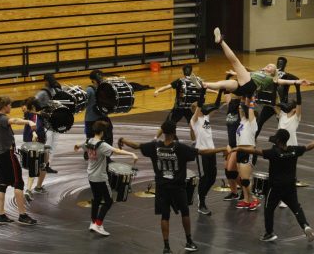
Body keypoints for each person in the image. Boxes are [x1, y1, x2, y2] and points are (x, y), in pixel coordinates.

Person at [118, 120, 228, 254]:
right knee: (185, 213)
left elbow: (136, 146)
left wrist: (123, 139)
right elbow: (202, 152)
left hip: (162, 187)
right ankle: (188, 241)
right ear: (174, 132)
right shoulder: (181, 148)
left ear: (163, 132)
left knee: (165, 216)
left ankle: (166, 247)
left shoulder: (154, 147)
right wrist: (222, 149)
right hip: (178, 187)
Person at [233, 129, 314, 242]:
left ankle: (269, 233)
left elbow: (255, 151)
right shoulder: (294, 150)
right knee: (296, 207)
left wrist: (239, 148)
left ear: (279, 140)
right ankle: (305, 225)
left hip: (275, 187)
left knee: (268, 209)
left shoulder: (273, 152)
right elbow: (308, 147)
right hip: (290, 186)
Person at [197, 27, 312, 97]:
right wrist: (235, 73)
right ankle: (204, 85)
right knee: (222, 84)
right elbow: (248, 74)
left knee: (236, 62)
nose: (268, 66)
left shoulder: (272, 79)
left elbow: (285, 82)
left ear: (273, 72)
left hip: (250, 86)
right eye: (268, 65)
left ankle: (221, 41)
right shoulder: (258, 73)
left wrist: (298, 81)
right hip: (243, 88)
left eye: (271, 67)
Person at [74, 120, 138, 236]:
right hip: (101, 177)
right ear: (102, 132)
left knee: (97, 199)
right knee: (108, 201)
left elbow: (80, 145)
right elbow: (117, 151)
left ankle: (93, 222)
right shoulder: (102, 145)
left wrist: (77, 146)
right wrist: (131, 154)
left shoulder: (89, 141)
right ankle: (98, 224)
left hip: (91, 175)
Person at [0, 96, 37, 225]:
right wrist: (29, 122)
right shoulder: (2, 118)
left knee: (2, 184)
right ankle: (22, 215)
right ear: (5, 106)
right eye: (10, 105)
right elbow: (15, 120)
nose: (11, 107)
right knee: (18, 183)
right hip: (9, 155)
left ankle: (2, 215)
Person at [190, 87, 221, 215]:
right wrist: (202, 92)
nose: (204, 107)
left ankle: (202, 196)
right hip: (202, 152)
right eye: (200, 107)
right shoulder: (194, 120)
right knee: (204, 177)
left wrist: (221, 92)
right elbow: (200, 104)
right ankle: (201, 203)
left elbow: (217, 106)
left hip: (211, 150)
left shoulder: (206, 117)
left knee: (212, 178)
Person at [154, 65, 206, 139]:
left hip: (179, 108)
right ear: (191, 71)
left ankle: (155, 138)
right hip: (190, 109)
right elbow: (205, 90)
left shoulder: (180, 81)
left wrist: (158, 90)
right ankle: (194, 143)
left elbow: (167, 86)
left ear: (183, 72)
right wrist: (215, 91)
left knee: (167, 124)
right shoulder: (196, 81)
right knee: (193, 126)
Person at [234, 97, 261, 211]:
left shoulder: (252, 123)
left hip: (248, 152)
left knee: (245, 180)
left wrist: (253, 98)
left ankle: (254, 199)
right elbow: (241, 108)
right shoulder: (243, 121)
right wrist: (243, 99)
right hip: (239, 151)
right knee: (242, 179)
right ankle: (246, 200)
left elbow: (250, 109)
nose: (241, 111)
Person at [35, 73, 61, 173]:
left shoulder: (57, 90)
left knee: (51, 147)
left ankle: (47, 165)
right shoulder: (42, 93)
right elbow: (33, 105)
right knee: (48, 146)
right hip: (47, 125)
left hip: (54, 124)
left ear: (45, 81)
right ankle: (43, 165)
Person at [84, 70, 114, 159]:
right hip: (92, 119)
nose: (101, 79)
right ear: (93, 80)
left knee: (108, 136)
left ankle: (107, 156)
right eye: (99, 77)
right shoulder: (89, 90)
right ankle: (89, 153)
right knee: (91, 138)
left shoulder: (105, 88)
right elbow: (84, 103)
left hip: (102, 117)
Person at [22, 97, 47, 201]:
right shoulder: (35, 117)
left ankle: (36, 187)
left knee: (38, 166)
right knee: (40, 166)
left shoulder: (28, 116)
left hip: (29, 144)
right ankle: (31, 189)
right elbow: (35, 128)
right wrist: (34, 134)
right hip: (35, 144)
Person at [222, 93, 241, 201]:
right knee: (227, 171)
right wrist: (227, 79)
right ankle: (234, 193)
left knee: (231, 171)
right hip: (230, 144)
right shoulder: (229, 112)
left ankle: (245, 189)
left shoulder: (241, 112)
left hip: (238, 146)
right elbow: (227, 93)